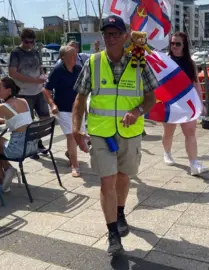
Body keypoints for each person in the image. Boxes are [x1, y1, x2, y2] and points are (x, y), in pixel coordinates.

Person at [72, 15, 158, 256]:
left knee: (123, 177)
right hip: (101, 133)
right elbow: (79, 98)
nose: (109, 38)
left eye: (114, 34)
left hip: (129, 133)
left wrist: (137, 110)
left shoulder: (139, 61)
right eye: (106, 34)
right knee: (106, 180)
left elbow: (151, 97)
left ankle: (120, 211)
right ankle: (112, 234)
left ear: (124, 36)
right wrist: (76, 129)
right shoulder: (93, 62)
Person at [0, 76, 37, 193]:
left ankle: (4, 178)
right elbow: (18, 119)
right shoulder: (23, 101)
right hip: (31, 145)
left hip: (18, 149)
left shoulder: (1, 107)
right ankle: (7, 173)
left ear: (9, 90)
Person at [163, 32, 208, 176]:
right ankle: (167, 152)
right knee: (169, 133)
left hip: (187, 103)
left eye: (178, 44)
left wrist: (201, 104)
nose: (174, 46)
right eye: (172, 43)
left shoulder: (190, 63)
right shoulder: (165, 60)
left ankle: (194, 163)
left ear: (184, 46)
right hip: (170, 103)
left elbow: (197, 85)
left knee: (190, 134)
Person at [44, 46, 84, 177]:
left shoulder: (78, 69)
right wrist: (52, 105)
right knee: (71, 135)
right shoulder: (57, 71)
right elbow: (46, 90)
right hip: (62, 109)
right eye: (72, 56)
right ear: (63, 58)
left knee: (79, 136)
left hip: (77, 110)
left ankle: (70, 153)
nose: (75, 58)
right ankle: (75, 165)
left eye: (76, 55)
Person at [8, 29, 49, 157]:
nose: (29, 44)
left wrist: (42, 76)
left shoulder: (36, 51)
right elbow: (12, 73)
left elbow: (40, 66)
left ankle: (38, 142)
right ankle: (31, 147)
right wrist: (34, 80)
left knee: (45, 118)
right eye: (27, 41)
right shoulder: (15, 53)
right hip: (24, 93)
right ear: (22, 40)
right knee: (28, 122)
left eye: (32, 42)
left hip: (38, 91)